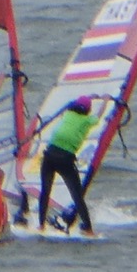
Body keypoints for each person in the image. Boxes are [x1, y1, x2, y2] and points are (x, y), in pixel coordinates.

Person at [37, 96, 98, 235]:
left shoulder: (68, 113)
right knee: (77, 196)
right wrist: (105, 100)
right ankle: (88, 229)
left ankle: (41, 226)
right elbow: (98, 117)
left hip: (49, 155)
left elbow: (70, 104)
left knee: (45, 191)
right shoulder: (87, 120)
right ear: (88, 110)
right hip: (65, 159)